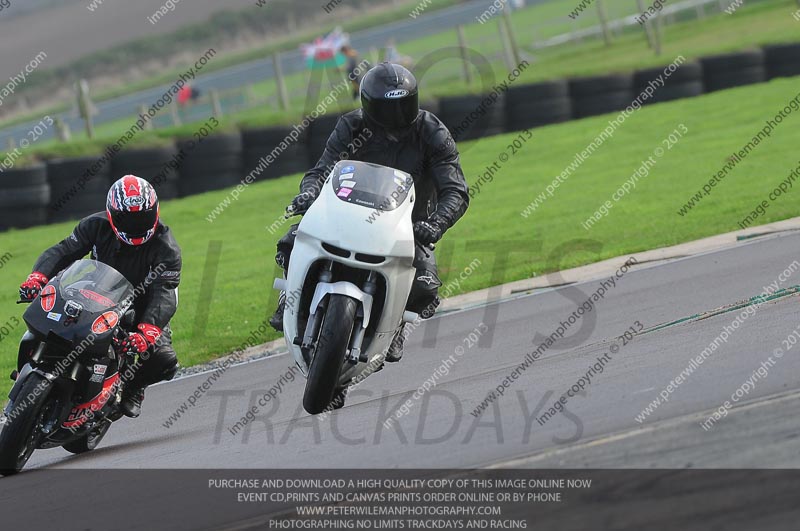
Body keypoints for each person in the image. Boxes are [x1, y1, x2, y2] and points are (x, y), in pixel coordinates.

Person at [270, 62, 470, 362]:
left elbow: (455, 189)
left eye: (404, 106)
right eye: (388, 108)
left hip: (406, 226)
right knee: (292, 240)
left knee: (425, 289)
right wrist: (308, 194)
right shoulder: (352, 126)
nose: (396, 117)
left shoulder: (432, 132)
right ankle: (292, 294)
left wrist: (436, 223)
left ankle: (395, 324)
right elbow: (322, 169)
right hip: (345, 216)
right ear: (368, 105)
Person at [18, 176, 182, 418]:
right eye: (128, 219)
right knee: (50, 317)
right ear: (113, 214)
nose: (136, 225)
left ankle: (132, 388)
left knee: (163, 358)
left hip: (143, 307)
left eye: (142, 217)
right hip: (97, 289)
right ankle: (30, 368)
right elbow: (64, 251)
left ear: (155, 211)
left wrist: (147, 330)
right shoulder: (95, 225)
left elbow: (164, 292)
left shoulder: (166, 248)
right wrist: (37, 277)